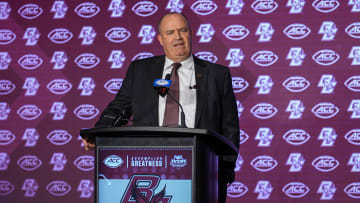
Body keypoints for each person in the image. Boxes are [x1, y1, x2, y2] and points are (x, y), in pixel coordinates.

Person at [82, 12, 239, 203]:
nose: (177, 38)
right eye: (170, 32)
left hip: (201, 170)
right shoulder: (140, 70)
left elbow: (230, 128)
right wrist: (97, 134)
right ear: (161, 39)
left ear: (191, 33)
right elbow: (118, 109)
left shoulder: (217, 75)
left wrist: (224, 172)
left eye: (182, 31)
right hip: (148, 166)